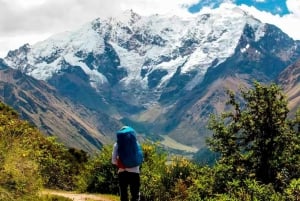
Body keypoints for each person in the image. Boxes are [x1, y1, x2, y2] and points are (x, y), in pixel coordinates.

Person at [112, 126, 143, 201]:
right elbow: (140, 157)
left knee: (124, 195)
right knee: (135, 195)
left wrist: (122, 164)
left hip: (122, 172)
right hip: (135, 172)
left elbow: (113, 160)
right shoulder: (136, 143)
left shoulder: (117, 144)